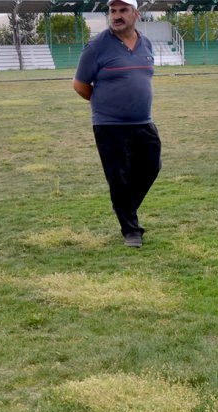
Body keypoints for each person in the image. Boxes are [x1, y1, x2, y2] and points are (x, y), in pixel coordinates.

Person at [73, 0, 162, 248]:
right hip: (109, 124)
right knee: (119, 176)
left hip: (143, 121)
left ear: (136, 14)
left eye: (123, 10)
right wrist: (104, 104)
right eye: (113, 11)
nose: (117, 16)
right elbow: (80, 85)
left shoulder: (146, 43)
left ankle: (123, 205)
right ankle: (131, 231)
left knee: (152, 166)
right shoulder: (97, 46)